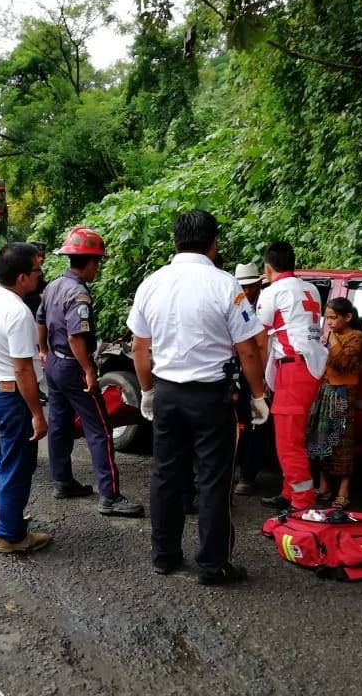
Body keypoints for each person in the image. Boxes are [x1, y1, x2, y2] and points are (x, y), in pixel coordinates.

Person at [128, 210, 269, 586]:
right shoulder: (225, 286)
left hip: (167, 393)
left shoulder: (151, 284)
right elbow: (249, 350)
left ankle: (164, 555)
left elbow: (139, 347)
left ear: (176, 241)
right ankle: (211, 564)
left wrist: (146, 391)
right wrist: (258, 395)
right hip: (210, 398)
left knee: (165, 476)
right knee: (213, 480)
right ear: (213, 242)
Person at [37, 227, 144, 517]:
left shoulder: (54, 286)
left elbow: (41, 319)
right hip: (73, 364)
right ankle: (110, 496)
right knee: (100, 429)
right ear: (89, 261)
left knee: (59, 423)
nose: (98, 268)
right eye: (98, 262)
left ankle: (62, 481)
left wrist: (44, 350)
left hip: (55, 365)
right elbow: (76, 337)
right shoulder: (78, 294)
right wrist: (88, 370)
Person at [0, 243, 51, 553]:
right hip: (10, 398)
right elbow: (23, 371)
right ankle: (10, 535)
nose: (39, 275)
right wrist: (37, 414)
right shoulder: (17, 312)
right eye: (36, 270)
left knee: (4, 458)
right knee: (17, 466)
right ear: (21, 277)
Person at [257, 241, 328, 513]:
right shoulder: (310, 289)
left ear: (267, 267)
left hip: (293, 368)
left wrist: (258, 377)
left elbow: (261, 339)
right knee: (293, 435)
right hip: (308, 367)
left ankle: (302, 502)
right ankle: (289, 492)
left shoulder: (272, 292)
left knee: (288, 442)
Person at [305, 297, 362, 509]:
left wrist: (330, 341)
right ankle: (324, 486)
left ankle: (343, 490)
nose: (329, 322)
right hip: (326, 390)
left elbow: (342, 362)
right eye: (327, 317)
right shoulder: (329, 336)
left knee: (342, 441)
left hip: (343, 393)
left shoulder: (356, 338)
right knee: (319, 438)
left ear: (348, 317)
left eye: (334, 317)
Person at [232, 262, 269, 497]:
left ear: (258, 284)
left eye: (250, 287)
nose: (246, 292)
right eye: (242, 287)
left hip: (258, 373)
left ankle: (248, 475)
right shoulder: (233, 303)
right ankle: (231, 471)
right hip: (236, 373)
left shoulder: (266, 304)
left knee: (258, 425)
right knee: (236, 426)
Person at [23, 241, 48, 317]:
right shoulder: (24, 272)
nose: (41, 259)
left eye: (43, 256)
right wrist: (40, 297)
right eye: (38, 256)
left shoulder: (39, 272)